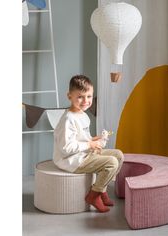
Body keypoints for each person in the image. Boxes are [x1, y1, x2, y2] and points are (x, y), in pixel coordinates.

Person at [53, 75, 124, 213]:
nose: (85, 101)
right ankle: (93, 195)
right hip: (72, 160)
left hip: (84, 154)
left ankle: (101, 189)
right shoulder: (68, 119)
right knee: (111, 162)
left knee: (119, 155)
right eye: (80, 97)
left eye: (89, 96)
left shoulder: (83, 115)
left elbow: (83, 138)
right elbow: (66, 148)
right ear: (69, 96)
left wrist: (94, 139)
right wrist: (90, 145)